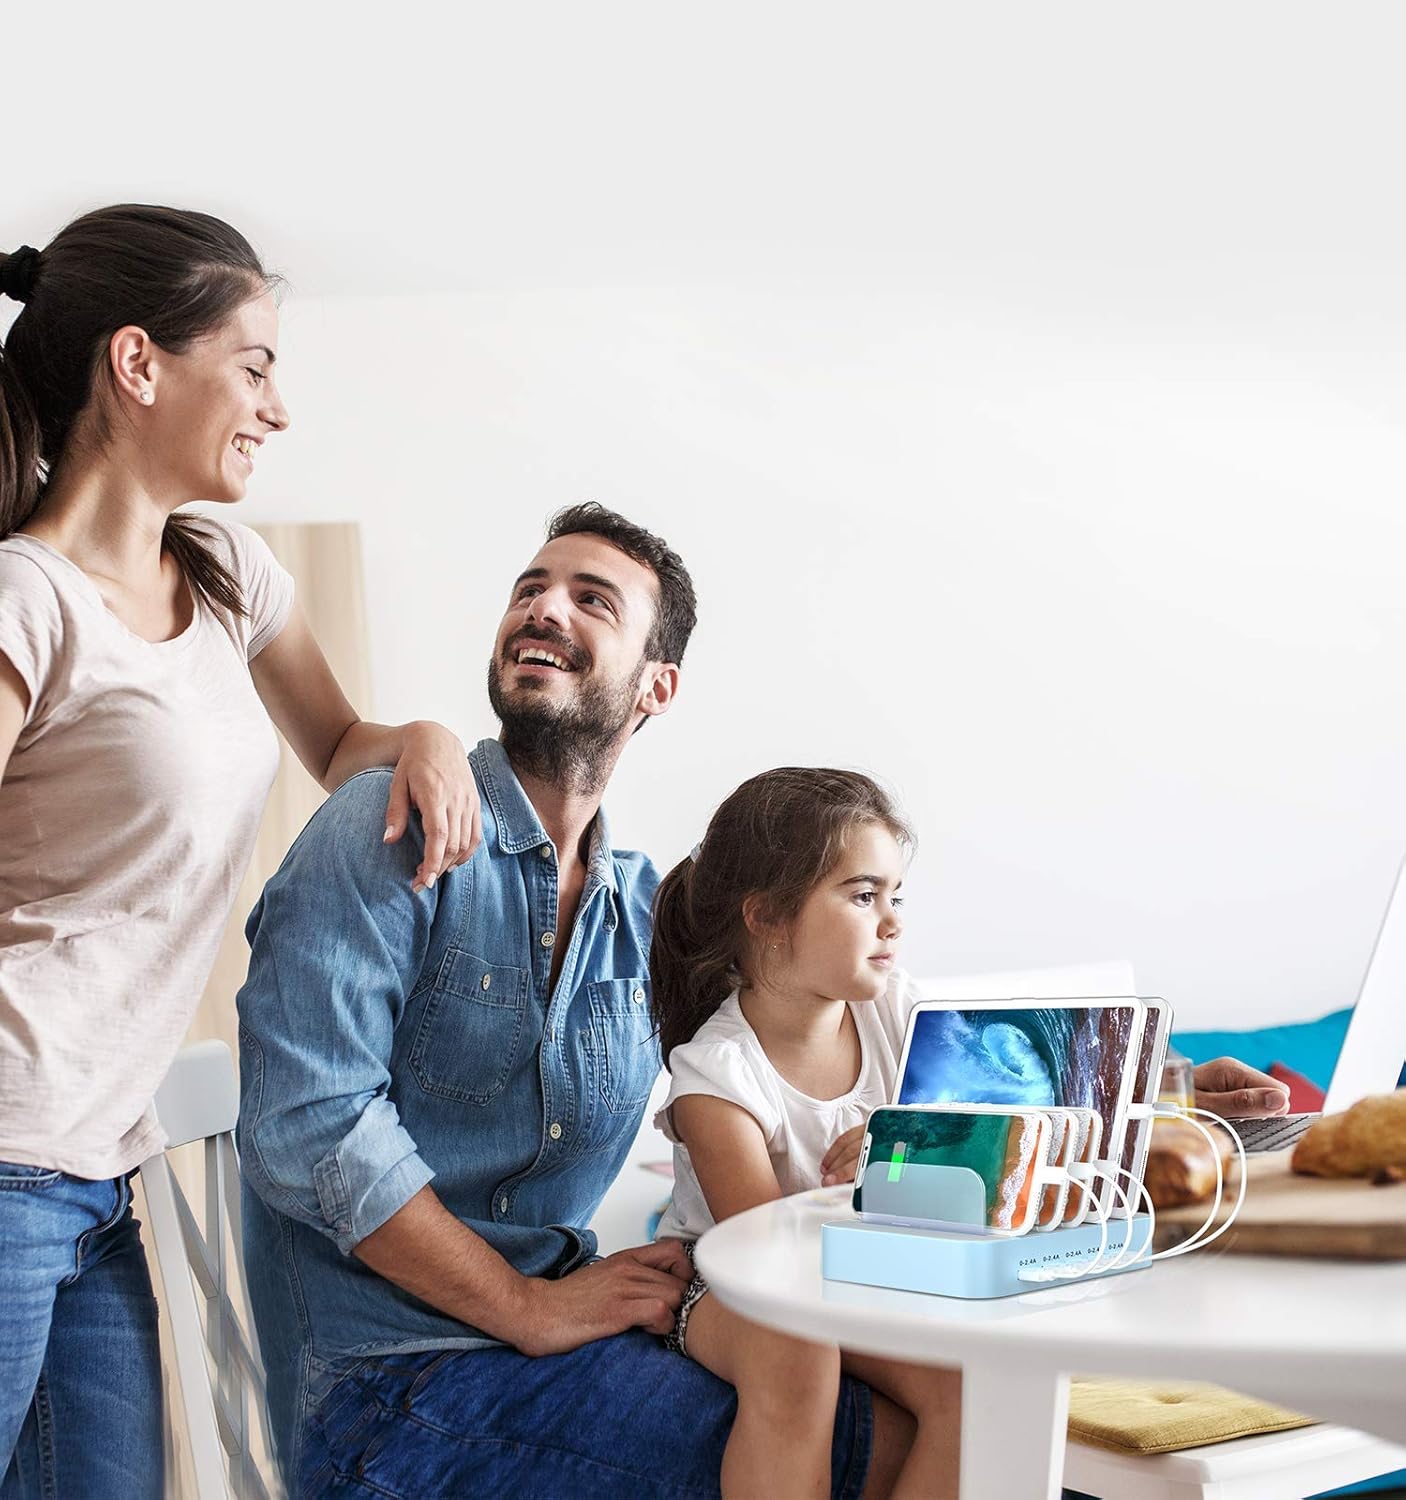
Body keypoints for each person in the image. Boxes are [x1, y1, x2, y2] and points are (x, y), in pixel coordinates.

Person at [236, 505, 900, 1498]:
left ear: (656, 686)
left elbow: (777, 1033)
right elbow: (315, 1127)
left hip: (559, 1335)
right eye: (529, 590)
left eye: (592, 600)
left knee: (928, 1399)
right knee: (875, 1446)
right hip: (387, 1390)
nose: (542, 610)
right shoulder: (387, 828)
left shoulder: (642, 911)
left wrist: (882, 1132)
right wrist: (526, 1307)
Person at [0, 207, 479, 1499]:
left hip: (101, 1173)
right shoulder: (27, 599)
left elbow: (340, 745)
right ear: (138, 363)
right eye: (254, 366)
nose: (277, 407)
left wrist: (428, 738)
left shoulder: (223, 568)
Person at [649, 768, 961, 1499]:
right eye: (863, 896)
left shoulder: (902, 1014)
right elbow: (768, 1254)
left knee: (969, 1379)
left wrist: (911, 1145)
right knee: (800, 1348)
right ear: (767, 917)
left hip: (867, 1270)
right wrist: (874, 1184)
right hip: (727, 1285)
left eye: (895, 896)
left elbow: (985, 1131)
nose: (893, 922)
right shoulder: (717, 1076)